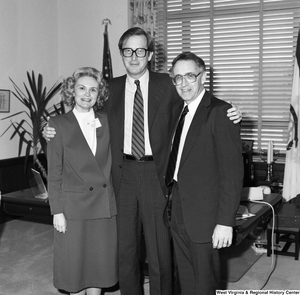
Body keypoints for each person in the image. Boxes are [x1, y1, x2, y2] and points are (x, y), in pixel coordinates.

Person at [43, 27, 242, 295]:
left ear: (149, 55)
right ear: (122, 54)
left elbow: (196, 103)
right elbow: (83, 115)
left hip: (156, 175)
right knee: (125, 251)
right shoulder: (109, 89)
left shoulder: (168, 84)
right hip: (121, 176)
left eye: (140, 50)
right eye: (127, 51)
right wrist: (49, 129)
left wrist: (231, 112)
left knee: (161, 252)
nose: (134, 57)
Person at [165, 52, 244, 295]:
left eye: (190, 76)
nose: (183, 83)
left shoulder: (221, 112)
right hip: (177, 204)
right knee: (186, 276)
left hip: (206, 213)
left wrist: (224, 222)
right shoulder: (177, 110)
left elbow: (232, 174)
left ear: (203, 76)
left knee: (205, 282)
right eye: (178, 78)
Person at [47, 67, 118, 295]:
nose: (87, 94)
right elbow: (54, 173)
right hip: (73, 208)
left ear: (100, 94)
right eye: (82, 88)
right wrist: (57, 211)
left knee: (97, 265)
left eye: (93, 89)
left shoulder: (109, 121)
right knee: (75, 268)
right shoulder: (57, 124)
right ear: (72, 91)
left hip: (102, 205)